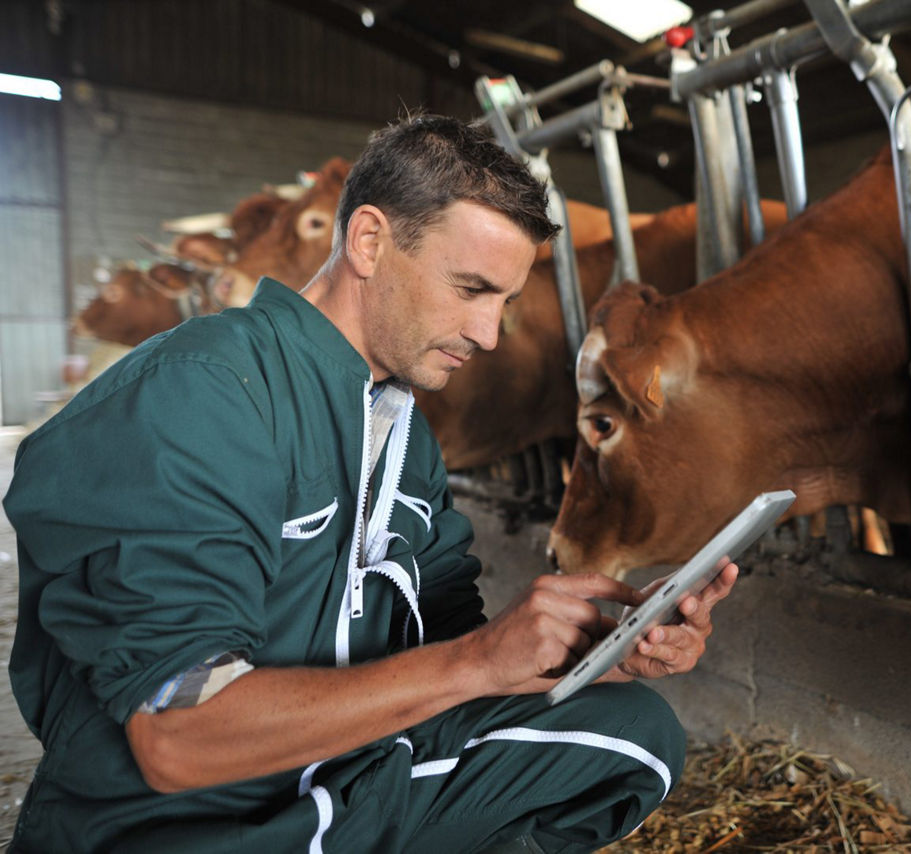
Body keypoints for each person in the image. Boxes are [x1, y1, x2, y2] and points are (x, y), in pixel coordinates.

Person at [3, 113, 738, 853]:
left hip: (343, 777)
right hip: (189, 824)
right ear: (369, 241)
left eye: (504, 303)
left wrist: (593, 649)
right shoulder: (203, 390)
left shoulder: (399, 424)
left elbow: (448, 637)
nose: (487, 334)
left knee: (632, 736)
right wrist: (477, 662)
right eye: (470, 288)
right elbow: (177, 737)